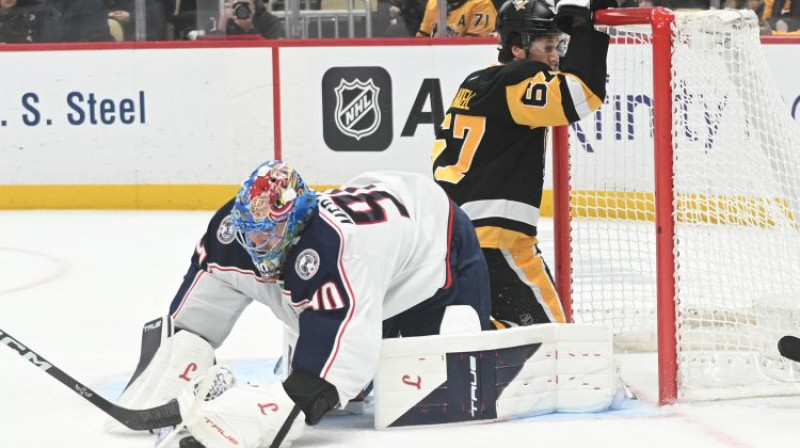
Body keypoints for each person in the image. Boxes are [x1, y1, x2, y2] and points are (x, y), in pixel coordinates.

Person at [110, 160, 491, 448]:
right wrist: (178, 353)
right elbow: (199, 309)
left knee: (437, 385)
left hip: (437, 241)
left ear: (297, 221)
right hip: (378, 251)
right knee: (347, 393)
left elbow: (333, 369)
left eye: (270, 232)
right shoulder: (233, 230)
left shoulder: (336, 248)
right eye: (250, 232)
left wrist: (276, 405)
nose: (257, 244)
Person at [431, 0, 610, 327]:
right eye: (547, 47)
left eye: (558, 46)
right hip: (497, 241)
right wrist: (587, 31)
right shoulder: (519, 81)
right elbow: (582, 95)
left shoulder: (477, 81)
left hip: (453, 235)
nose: (554, 56)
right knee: (553, 343)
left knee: (493, 331)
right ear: (517, 49)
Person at [32, 0, 114, 42]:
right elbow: (37, 37)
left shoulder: (91, 5)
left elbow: (92, 44)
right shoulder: (46, 6)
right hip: (48, 60)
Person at [415, 0, 497, 37]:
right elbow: (422, 37)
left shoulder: (482, 4)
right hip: (438, 59)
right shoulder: (434, 3)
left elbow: (472, 46)